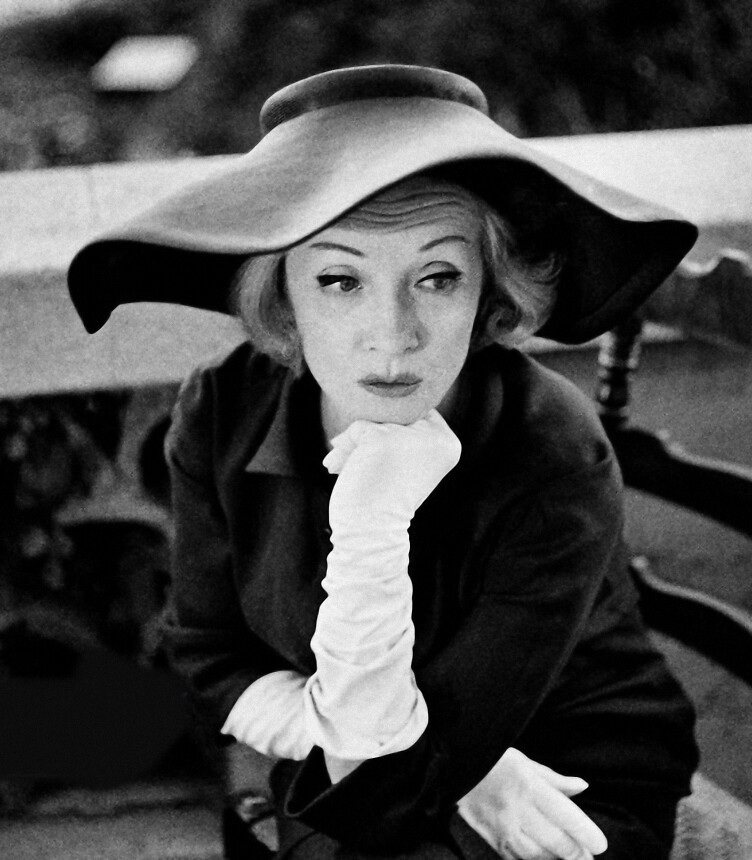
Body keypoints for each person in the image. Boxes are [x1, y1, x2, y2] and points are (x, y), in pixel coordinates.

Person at [68, 65, 699, 860]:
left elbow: (397, 771)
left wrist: (441, 756)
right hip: (366, 771)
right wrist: (447, 763)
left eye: (437, 277)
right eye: (341, 280)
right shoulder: (223, 410)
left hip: (568, 773)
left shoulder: (554, 449)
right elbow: (209, 654)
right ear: (283, 294)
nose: (393, 335)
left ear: (488, 291)